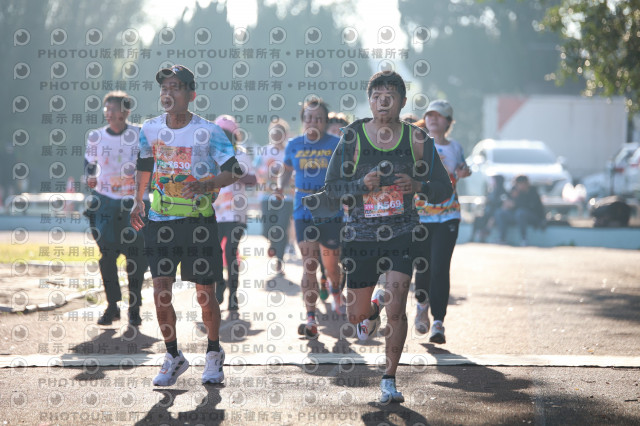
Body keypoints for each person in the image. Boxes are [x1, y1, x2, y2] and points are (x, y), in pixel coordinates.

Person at [324, 71, 452, 403]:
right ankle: (370, 310)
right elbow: (331, 188)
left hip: (402, 234)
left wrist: (419, 186)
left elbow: (444, 188)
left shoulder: (417, 139)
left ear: (402, 101)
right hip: (360, 237)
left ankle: (389, 379)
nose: (383, 101)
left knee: (397, 308)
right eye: (377, 96)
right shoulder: (352, 138)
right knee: (355, 316)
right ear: (369, 100)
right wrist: (360, 185)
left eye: (390, 96)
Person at [130, 65, 240, 386]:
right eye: (164, 88)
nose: (168, 93)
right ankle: (173, 355)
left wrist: (207, 185)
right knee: (160, 292)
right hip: (159, 221)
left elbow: (233, 170)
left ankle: (213, 352)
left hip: (198, 223)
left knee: (205, 294)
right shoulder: (149, 128)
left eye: (175, 87)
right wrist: (138, 200)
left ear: (191, 94)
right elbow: (144, 165)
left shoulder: (208, 131)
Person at [277, 98, 344, 339]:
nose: (313, 122)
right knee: (309, 264)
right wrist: (280, 187)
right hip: (303, 209)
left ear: (325, 121)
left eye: (318, 118)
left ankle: (335, 289)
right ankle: (311, 317)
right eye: (309, 118)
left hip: (330, 210)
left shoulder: (336, 144)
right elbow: (286, 171)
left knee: (331, 266)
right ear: (303, 121)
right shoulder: (294, 144)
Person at [84, 90, 149, 327]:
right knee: (107, 256)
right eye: (107, 109)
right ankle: (112, 306)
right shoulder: (96, 136)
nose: (109, 113)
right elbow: (89, 164)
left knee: (136, 257)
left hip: (133, 202)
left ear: (126, 112)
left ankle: (135, 308)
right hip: (106, 201)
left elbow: (149, 163)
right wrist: (90, 176)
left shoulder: (139, 134)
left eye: (114, 109)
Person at [412, 100, 472, 344]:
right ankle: (421, 305)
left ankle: (438, 322)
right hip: (421, 214)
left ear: (448, 122)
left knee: (440, 267)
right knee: (422, 265)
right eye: (430, 115)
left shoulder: (455, 147)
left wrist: (463, 171)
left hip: (449, 213)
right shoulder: (417, 144)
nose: (433, 119)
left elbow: (460, 169)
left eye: (439, 115)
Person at [212, 115, 256, 311]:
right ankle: (219, 284)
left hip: (236, 214)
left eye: (225, 134)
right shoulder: (209, 155)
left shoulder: (241, 155)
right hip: (213, 213)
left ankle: (233, 295)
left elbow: (253, 180)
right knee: (213, 253)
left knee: (231, 252)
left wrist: (237, 173)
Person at [255, 119, 294, 274]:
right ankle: (272, 243)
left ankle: (279, 261)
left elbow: (295, 171)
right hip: (267, 195)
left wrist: (284, 175)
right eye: (274, 132)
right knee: (267, 228)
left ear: (285, 134)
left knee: (282, 227)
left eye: (280, 132)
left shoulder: (290, 151)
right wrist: (269, 173)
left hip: (286, 196)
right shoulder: (264, 151)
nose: (276, 135)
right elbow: (257, 170)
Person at [494, 174, 546, 245]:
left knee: (520, 213)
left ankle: (524, 239)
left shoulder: (533, 191)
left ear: (526, 183)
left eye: (520, 184)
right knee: (500, 213)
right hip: (516, 216)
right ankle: (502, 238)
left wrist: (515, 204)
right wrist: (507, 204)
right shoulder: (514, 191)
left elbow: (531, 207)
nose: (518, 186)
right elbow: (508, 202)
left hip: (533, 217)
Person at [471, 174, 507, 242]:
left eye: (493, 180)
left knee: (491, 219)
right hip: (487, 213)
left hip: (494, 214)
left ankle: (485, 233)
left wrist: (490, 201)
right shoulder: (491, 191)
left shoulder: (502, 191)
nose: (491, 182)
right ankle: (473, 237)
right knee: (477, 218)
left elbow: (500, 203)